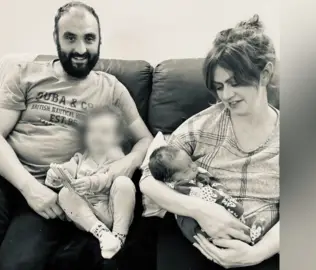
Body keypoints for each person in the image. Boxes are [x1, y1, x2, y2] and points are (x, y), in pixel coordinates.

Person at [0, 1, 153, 269]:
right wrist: (28, 187)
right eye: (70, 38)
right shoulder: (25, 74)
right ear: (56, 38)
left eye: (89, 38)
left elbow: (145, 139)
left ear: (99, 41)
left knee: (18, 265)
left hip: (56, 189)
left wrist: (124, 165)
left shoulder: (112, 89)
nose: (81, 49)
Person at [140, 14, 280, 270]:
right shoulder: (204, 124)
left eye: (235, 83)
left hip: (261, 245)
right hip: (199, 237)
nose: (226, 95)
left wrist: (255, 254)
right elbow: (148, 179)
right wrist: (201, 211)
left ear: (265, 73)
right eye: (218, 86)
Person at [45, 106, 136, 259]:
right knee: (65, 192)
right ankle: (103, 234)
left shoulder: (115, 155)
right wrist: (55, 174)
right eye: (92, 131)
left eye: (105, 132)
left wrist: (91, 182)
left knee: (124, 183)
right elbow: (67, 170)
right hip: (85, 216)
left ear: (117, 137)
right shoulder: (80, 157)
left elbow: (110, 177)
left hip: (111, 210)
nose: (97, 136)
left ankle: (119, 236)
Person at [148, 145, 273, 246]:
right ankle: (249, 238)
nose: (194, 167)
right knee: (223, 233)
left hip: (207, 217)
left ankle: (250, 234)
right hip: (198, 228)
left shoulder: (190, 175)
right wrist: (230, 204)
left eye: (191, 162)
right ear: (170, 180)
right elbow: (210, 196)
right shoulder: (181, 188)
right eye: (186, 170)